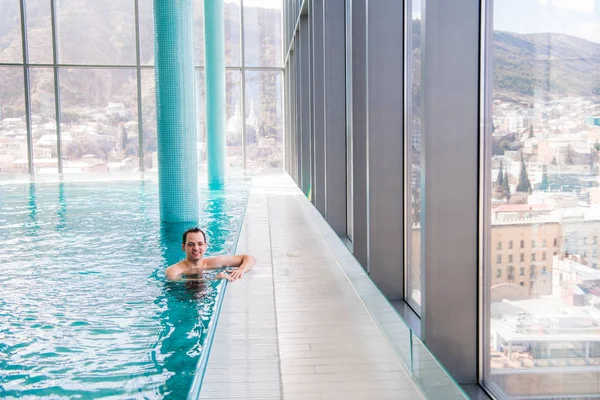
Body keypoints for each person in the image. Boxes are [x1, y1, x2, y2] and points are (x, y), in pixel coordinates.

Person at [165, 227, 256, 282]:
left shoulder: (215, 262)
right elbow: (179, 281)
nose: (196, 248)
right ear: (183, 247)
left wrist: (241, 269)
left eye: (200, 244)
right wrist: (213, 279)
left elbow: (250, 258)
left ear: (205, 246)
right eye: (191, 244)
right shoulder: (173, 270)